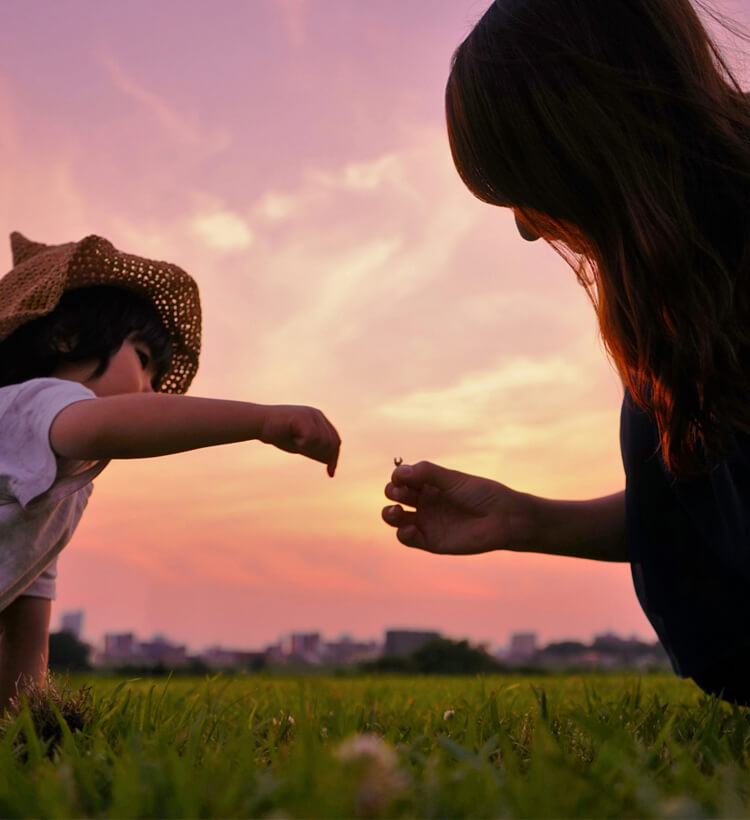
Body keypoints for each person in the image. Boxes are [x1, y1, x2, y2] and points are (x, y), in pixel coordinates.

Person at [383, 0, 750, 703]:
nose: (526, 229)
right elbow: (707, 509)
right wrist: (523, 518)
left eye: (525, 186)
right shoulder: (682, 289)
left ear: (585, 142)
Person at [0, 232, 340, 713]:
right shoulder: (29, 402)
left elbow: (28, 594)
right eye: (142, 360)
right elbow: (100, 429)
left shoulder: (59, 476)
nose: (150, 390)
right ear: (67, 338)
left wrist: (24, 713)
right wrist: (261, 420)